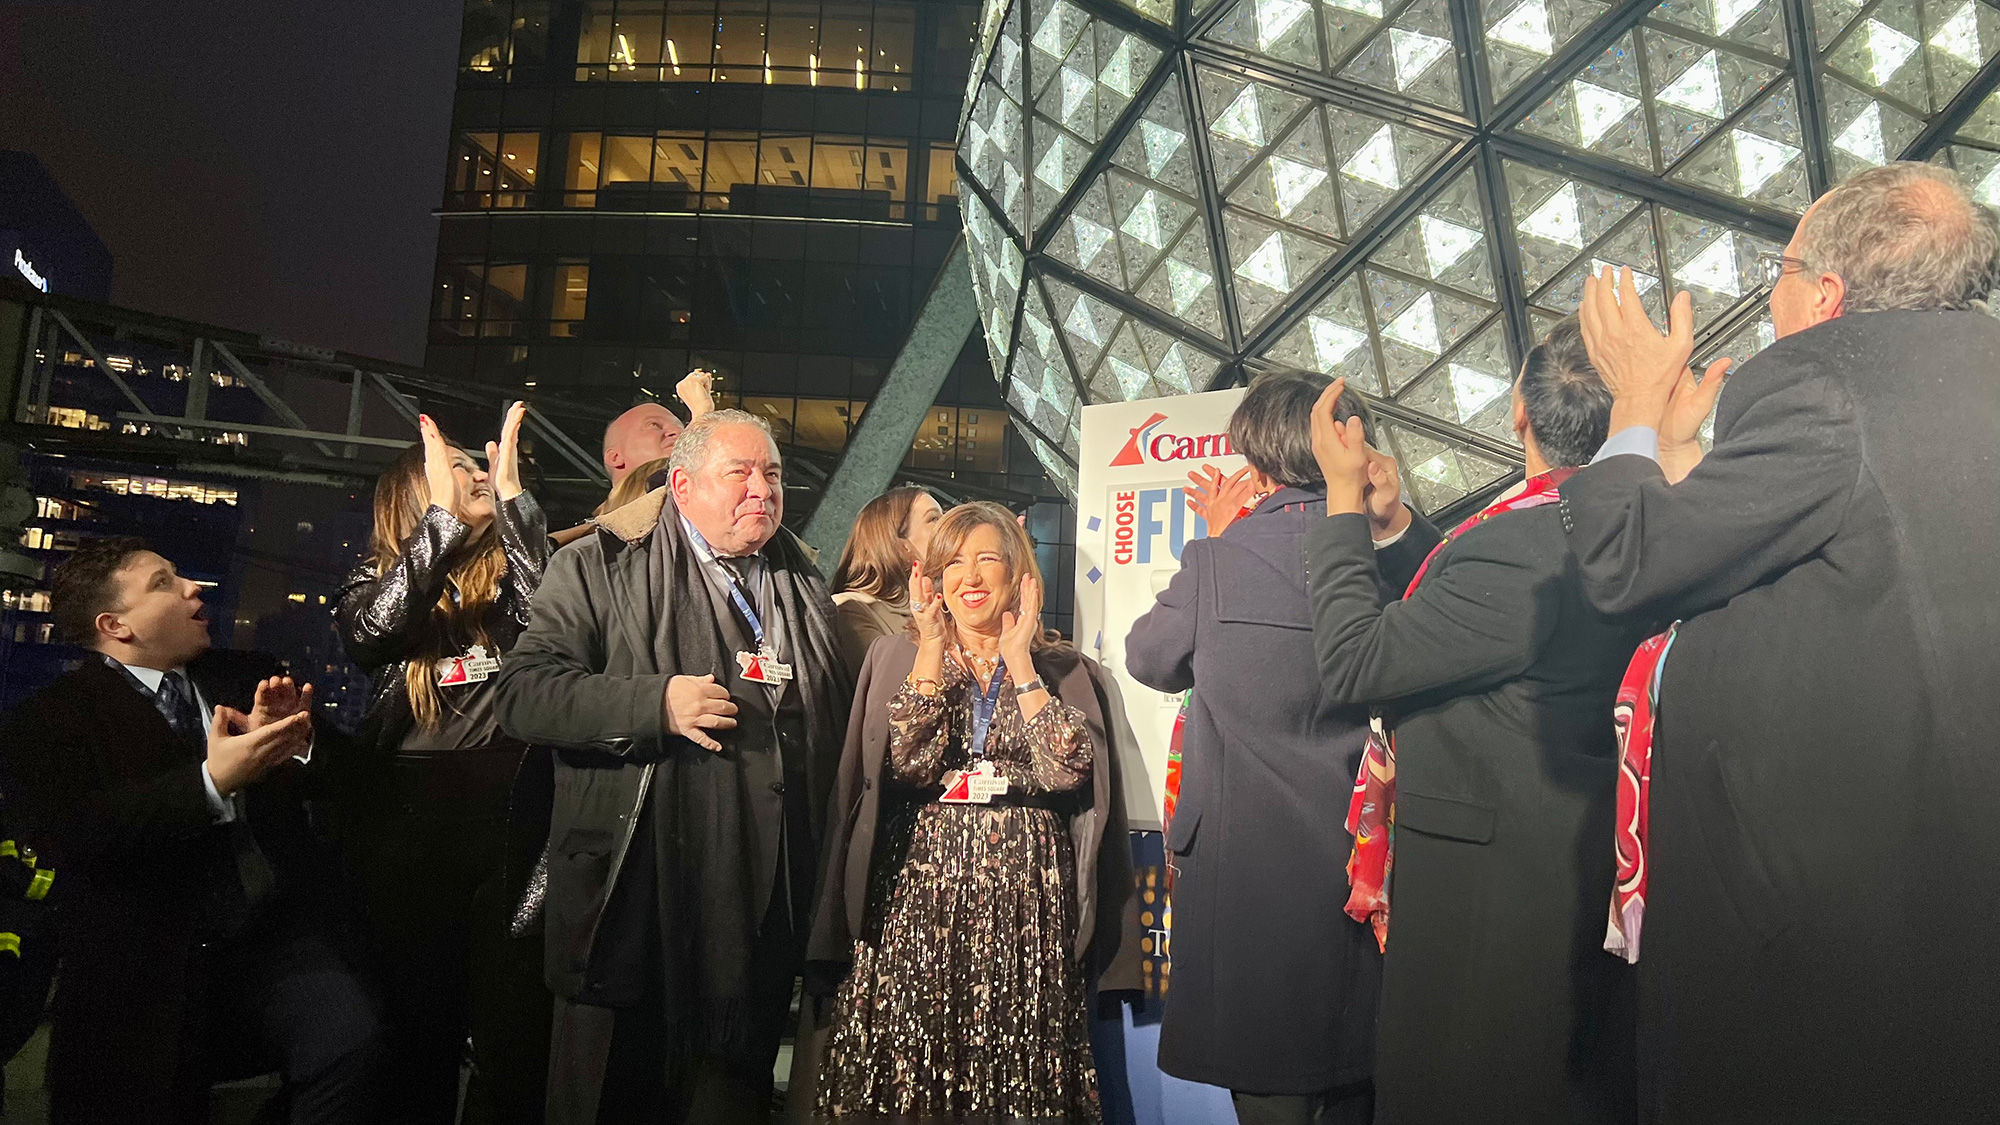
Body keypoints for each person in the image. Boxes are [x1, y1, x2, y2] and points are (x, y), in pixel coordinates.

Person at [1558, 160, 2000, 1119]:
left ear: (1828, 296)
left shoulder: (1823, 385)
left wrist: (1633, 403)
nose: (1775, 295)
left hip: (1836, 934)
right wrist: (1682, 460)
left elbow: (1626, 565)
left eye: (1782, 270)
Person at [1302, 320, 1647, 1123]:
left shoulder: (1525, 542)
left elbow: (1356, 659)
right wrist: (1397, 531)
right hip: (1562, 870)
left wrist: (1344, 503)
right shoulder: (1603, 522)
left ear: (1519, 412)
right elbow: (1481, 622)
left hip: (1490, 914)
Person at [494, 408, 854, 1125]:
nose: (763, 488)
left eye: (773, 474)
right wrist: (656, 704)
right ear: (682, 486)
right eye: (740, 472)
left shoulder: (804, 586)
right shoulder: (596, 565)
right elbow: (522, 694)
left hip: (759, 929)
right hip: (632, 912)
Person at [1123, 373, 1438, 1125]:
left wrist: (1221, 540)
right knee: (1358, 1078)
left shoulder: (1222, 558)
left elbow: (1148, 658)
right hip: (1364, 867)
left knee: (1268, 1094)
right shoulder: (1379, 555)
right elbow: (1436, 604)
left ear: (1256, 451)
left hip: (1245, 877)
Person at [0, 537, 383, 1123]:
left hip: (270, 943)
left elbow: (353, 776)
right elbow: (74, 834)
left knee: (349, 1038)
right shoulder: (51, 719)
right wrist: (210, 783)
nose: (192, 588)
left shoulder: (246, 676)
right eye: (163, 584)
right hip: (141, 970)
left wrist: (296, 745)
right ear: (115, 625)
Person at [806, 501, 1133, 1121]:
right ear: (931, 577)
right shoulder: (893, 658)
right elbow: (906, 763)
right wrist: (930, 649)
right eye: (953, 562)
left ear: (1019, 576)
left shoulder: (1069, 670)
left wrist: (1019, 661)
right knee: (909, 1061)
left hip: (1024, 907)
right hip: (915, 901)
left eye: (988, 559)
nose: (971, 577)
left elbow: (1065, 770)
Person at [333, 403, 552, 1122]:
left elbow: (556, 616)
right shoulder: (380, 575)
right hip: (410, 824)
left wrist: (516, 500)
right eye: (452, 465)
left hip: (512, 821)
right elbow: (373, 633)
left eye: (476, 461)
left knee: (513, 1037)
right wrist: (442, 526)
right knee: (414, 1032)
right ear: (417, 493)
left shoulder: (515, 575)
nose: (473, 472)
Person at [552, 371, 719, 549]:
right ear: (615, 457)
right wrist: (702, 414)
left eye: (682, 427)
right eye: (654, 425)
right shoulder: (581, 546)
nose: (676, 432)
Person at [827, 486, 944, 677]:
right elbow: (888, 689)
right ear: (900, 546)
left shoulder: (947, 606)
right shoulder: (851, 609)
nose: (948, 527)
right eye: (934, 519)